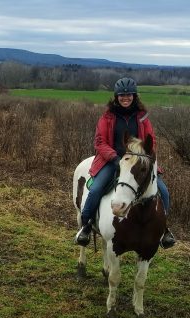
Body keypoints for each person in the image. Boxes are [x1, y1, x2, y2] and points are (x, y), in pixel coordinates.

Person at [74, 77, 175, 249]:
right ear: (116, 97)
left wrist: (144, 158)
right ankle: (86, 225)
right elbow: (99, 142)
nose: (125, 98)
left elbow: (151, 140)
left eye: (129, 95)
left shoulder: (143, 117)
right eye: (122, 95)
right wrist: (114, 158)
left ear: (135, 96)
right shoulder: (108, 117)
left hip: (137, 163)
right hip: (112, 160)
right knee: (96, 189)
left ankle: (164, 229)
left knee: (163, 192)